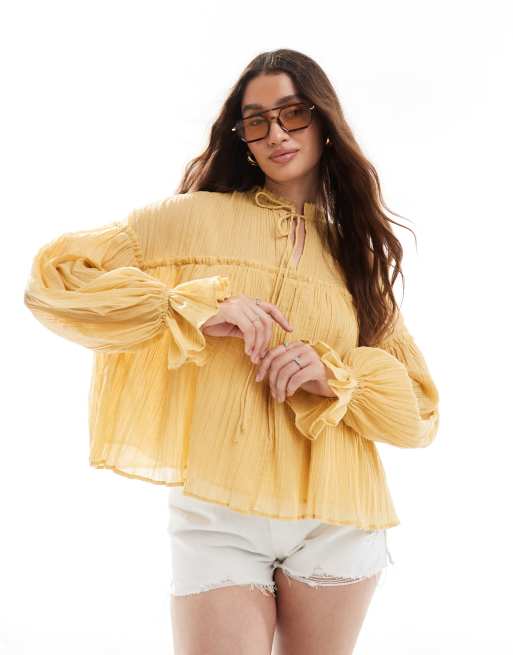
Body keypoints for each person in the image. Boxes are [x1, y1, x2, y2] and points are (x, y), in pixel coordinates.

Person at [23, 48, 440, 655]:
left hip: (339, 517)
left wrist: (335, 376)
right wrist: (188, 306)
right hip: (218, 516)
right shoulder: (189, 220)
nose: (276, 133)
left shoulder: (358, 257)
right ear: (240, 136)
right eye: (256, 120)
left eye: (293, 113)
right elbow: (55, 280)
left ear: (324, 119)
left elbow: (421, 412)